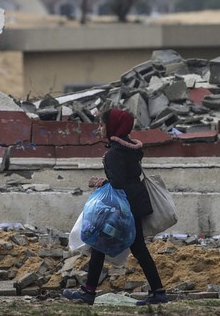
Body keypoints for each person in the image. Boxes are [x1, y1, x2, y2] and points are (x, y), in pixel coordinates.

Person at [63, 108, 167, 306]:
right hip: (135, 202)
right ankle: (157, 291)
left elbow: (118, 182)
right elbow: (126, 176)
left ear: (112, 126)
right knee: (133, 248)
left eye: (102, 124)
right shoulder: (131, 148)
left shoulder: (114, 153)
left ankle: (89, 292)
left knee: (101, 244)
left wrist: (101, 182)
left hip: (122, 207)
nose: (100, 128)